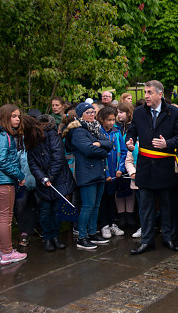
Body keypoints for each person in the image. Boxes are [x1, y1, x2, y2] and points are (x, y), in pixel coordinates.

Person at [126, 80, 178, 254]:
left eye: (149, 92)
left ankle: (168, 238)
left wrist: (167, 143)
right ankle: (147, 240)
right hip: (145, 167)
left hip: (165, 167)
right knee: (145, 207)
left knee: (167, 206)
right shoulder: (138, 112)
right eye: (145, 92)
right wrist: (129, 142)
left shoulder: (173, 112)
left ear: (160, 94)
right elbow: (132, 132)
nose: (146, 96)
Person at [62, 102, 112, 249]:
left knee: (96, 205)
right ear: (80, 115)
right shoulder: (78, 131)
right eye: (88, 112)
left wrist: (100, 145)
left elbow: (109, 143)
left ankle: (92, 232)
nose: (91, 114)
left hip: (99, 171)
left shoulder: (96, 128)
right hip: (86, 172)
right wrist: (102, 148)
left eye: (92, 112)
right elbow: (89, 150)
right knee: (87, 206)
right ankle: (82, 236)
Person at [24, 115, 75, 252]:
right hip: (43, 182)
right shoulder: (29, 139)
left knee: (56, 210)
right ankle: (47, 238)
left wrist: (50, 177)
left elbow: (58, 156)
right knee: (45, 211)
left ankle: (56, 237)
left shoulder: (51, 134)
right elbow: (32, 162)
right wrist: (42, 178)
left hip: (57, 179)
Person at [0, 104, 27, 265]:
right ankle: (7, 252)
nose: (17, 119)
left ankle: (3, 250)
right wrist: (19, 175)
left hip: (2, 181)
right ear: (5, 117)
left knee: (1, 217)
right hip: (4, 182)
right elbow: (1, 160)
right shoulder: (3, 136)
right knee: (4, 217)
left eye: (18, 116)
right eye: (14, 116)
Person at [97, 106, 127, 238]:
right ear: (101, 120)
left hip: (116, 173)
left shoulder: (116, 132)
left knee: (112, 198)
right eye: (108, 120)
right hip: (103, 173)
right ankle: (104, 225)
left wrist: (120, 169)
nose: (111, 123)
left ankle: (111, 223)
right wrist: (106, 174)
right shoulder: (98, 133)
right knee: (103, 199)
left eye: (113, 120)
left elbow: (124, 151)